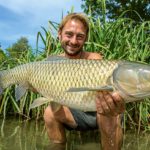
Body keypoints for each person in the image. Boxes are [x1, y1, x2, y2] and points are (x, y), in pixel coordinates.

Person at [43, 13, 125, 150]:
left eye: (80, 36)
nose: (74, 41)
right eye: (69, 34)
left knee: (106, 109)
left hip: (99, 111)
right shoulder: (52, 62)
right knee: (49, 112)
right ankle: (58, 146)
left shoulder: (94, 59)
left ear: (85, 38)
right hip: (76, 112)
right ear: (59, 34)